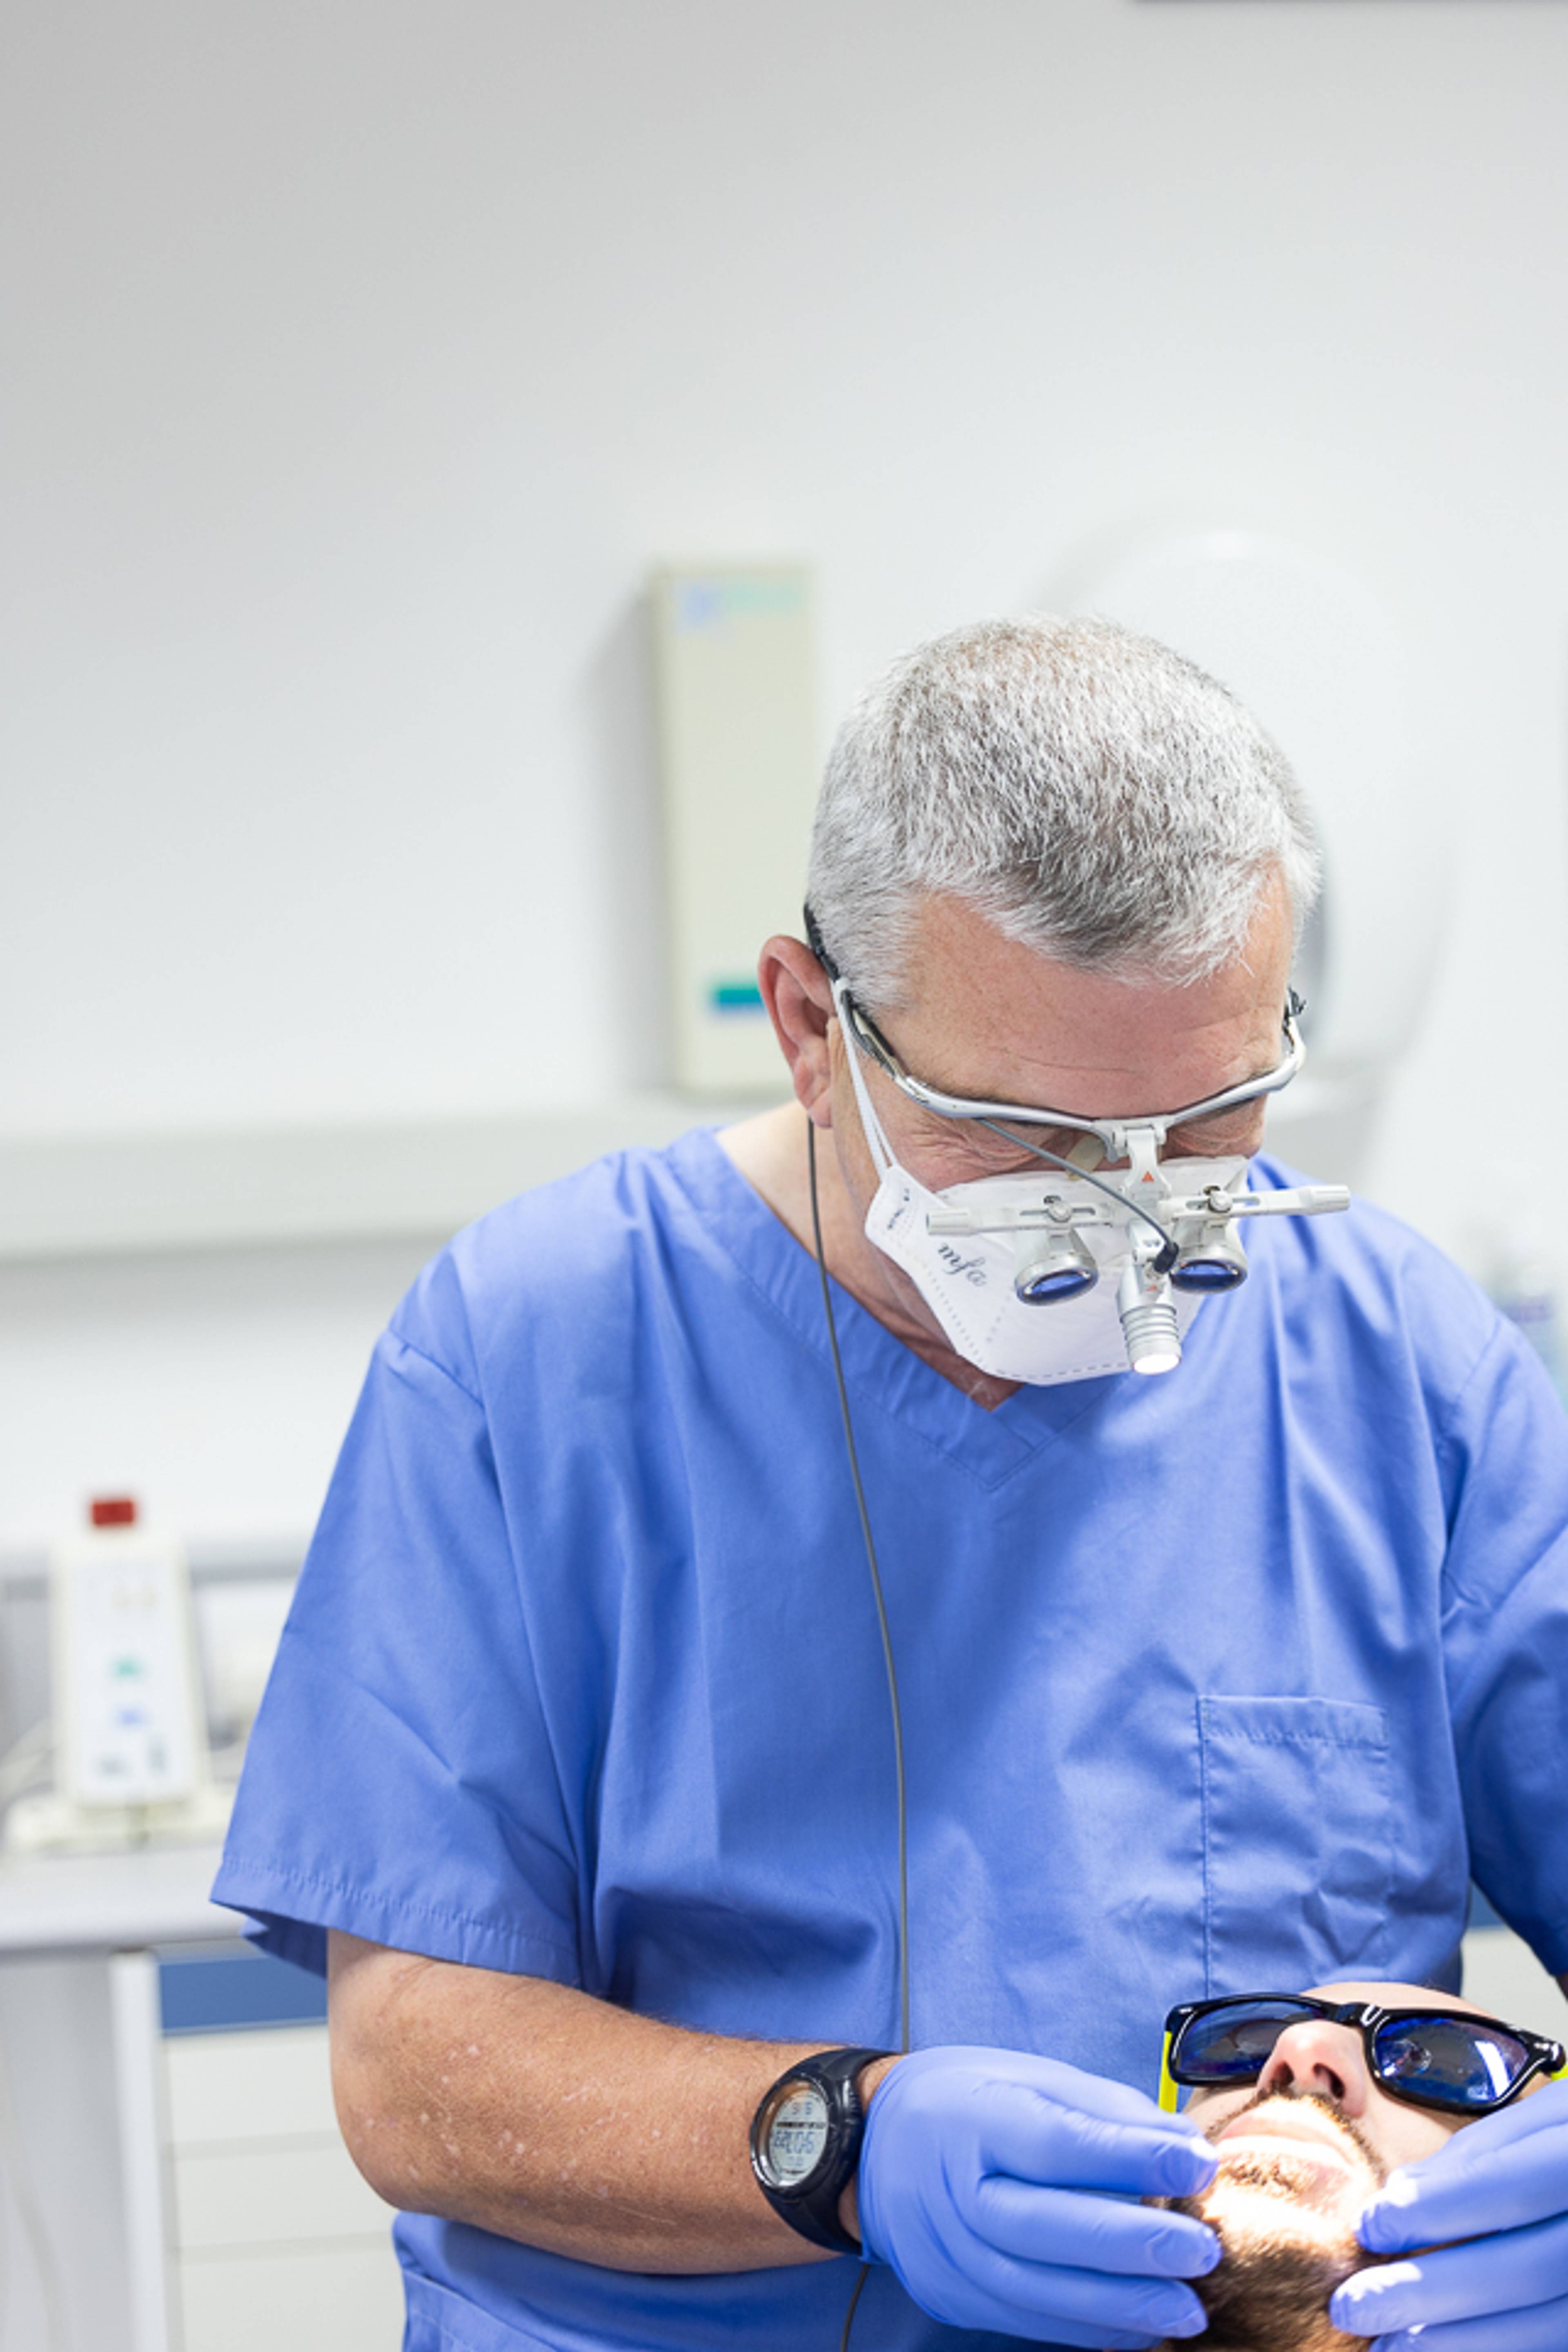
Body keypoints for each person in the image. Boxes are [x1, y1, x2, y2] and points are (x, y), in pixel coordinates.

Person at [214, 617, 1568, 2352]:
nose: (1137, 1214)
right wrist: (838, 2141)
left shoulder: (1396, 1365)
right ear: (811, 1026)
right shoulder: (534, 1357)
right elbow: (417, 2072)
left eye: (1211, 1125)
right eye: (1038, 1146)